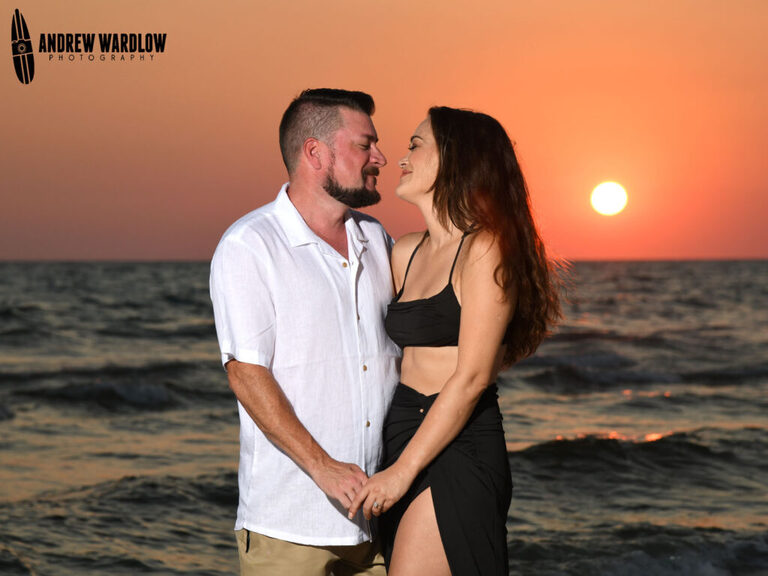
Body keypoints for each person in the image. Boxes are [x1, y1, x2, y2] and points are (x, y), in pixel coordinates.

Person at [348, 107, 563, 576]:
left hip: (459, 442)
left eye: (416, 144)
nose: (400, 158)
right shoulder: (405, 250)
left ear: (455, 159)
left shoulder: (485, 247)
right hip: (401, 434)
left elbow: (471, 379)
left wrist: (402, 473)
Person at [210, 89, 400, 576]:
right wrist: (324, 468)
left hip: (379, 524)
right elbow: (247, 374)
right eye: (365, 145)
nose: (379, 157)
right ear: (315, 153)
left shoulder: (377, 238)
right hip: (290, 528)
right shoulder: (250, 245)